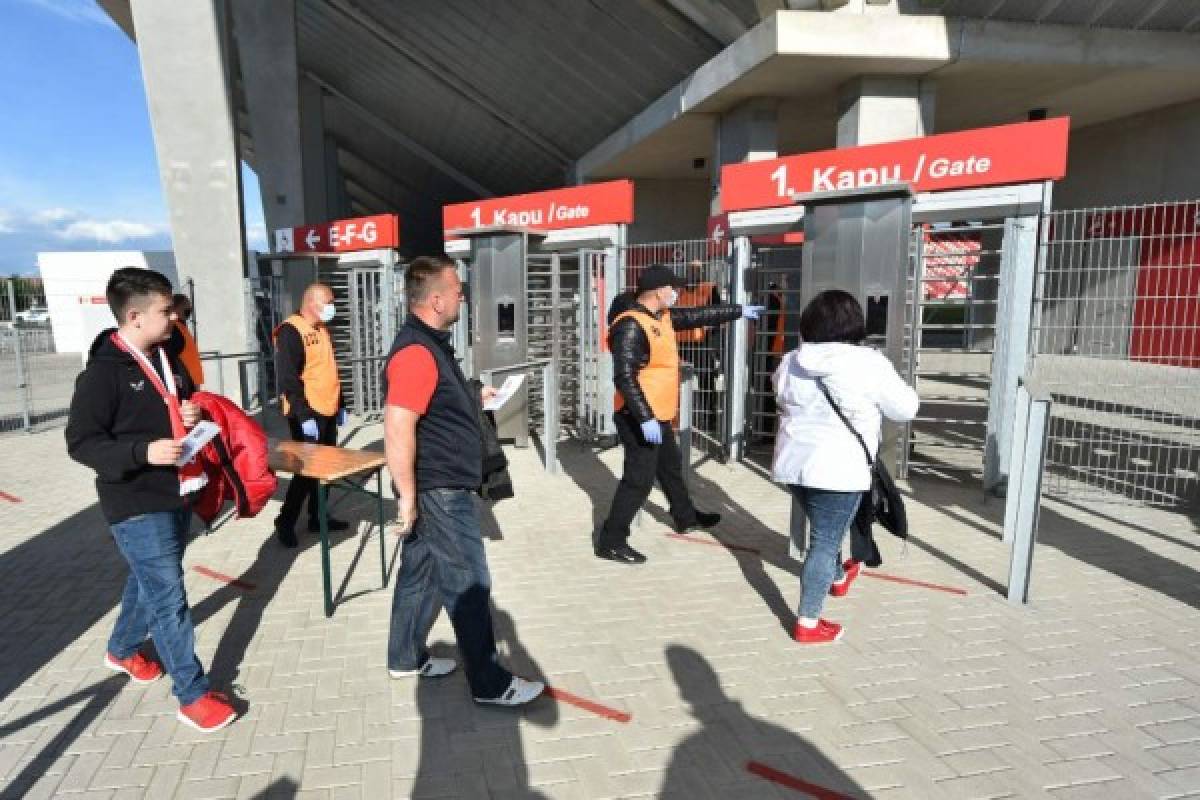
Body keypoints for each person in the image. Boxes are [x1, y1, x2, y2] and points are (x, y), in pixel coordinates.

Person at [65, 267, 237, 733]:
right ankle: (192, 695)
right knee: (169, 597)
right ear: (135, 316)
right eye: (166, 312)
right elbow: (80, 442)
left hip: (176, 490)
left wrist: (188, 409)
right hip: (134, 500)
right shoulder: (102, 375)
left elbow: (176, 399)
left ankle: (121, 650)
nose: (174, 319)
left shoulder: (165, 356)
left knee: (148, 581)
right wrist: (142, 452)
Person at [382, 255, 543, 707]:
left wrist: (474, 395)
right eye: (457, 289)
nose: (462, 296)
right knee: (469, 581)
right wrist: (408, 498)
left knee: (420, 575)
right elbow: (398, 426)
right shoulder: (415, 351)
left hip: (436, 483)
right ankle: (490, 684)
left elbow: (439, 395)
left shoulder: (430, 344)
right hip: (438, 487)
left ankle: (404, 657)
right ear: (435, 299)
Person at [771, 289, 918, 644]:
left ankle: (836, 579)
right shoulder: (868, 362)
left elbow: (778, 394)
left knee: (825, 528)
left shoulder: (791, 360)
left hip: (793, 464)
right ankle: (808, 622)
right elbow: (905, 409)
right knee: (824, 540)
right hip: (840, 467)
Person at [594, 264, 763, 565]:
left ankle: (685, 516)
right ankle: (611, 539)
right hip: (637, 416)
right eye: (675, 289)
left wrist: (739, 311)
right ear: (659, 290)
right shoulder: (631, 325)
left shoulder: (663, 317)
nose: (678, 294)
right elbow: (624, 376)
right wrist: (645, 417)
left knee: (670, 467)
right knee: (638, 480)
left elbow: (700, 316)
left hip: (656, 413)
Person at [272, 283, 349, 548]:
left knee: (326, 469)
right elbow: (288, 379)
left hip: (327, 409)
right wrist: (303, 415)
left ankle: (318, 517)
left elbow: (329, 369)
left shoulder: (321, 329)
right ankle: (285, 521)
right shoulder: (291, 331)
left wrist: (341, 403)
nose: (332, 307)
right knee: (305, 472)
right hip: (307, 413)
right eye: (328, 301)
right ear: (311, 303)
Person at [167, 293, 205, 388]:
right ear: (176, 308)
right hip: (186, 381)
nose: (189, 311)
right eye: (186, 307)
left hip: (192, 379)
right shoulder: (174, 328)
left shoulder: (182, 327)